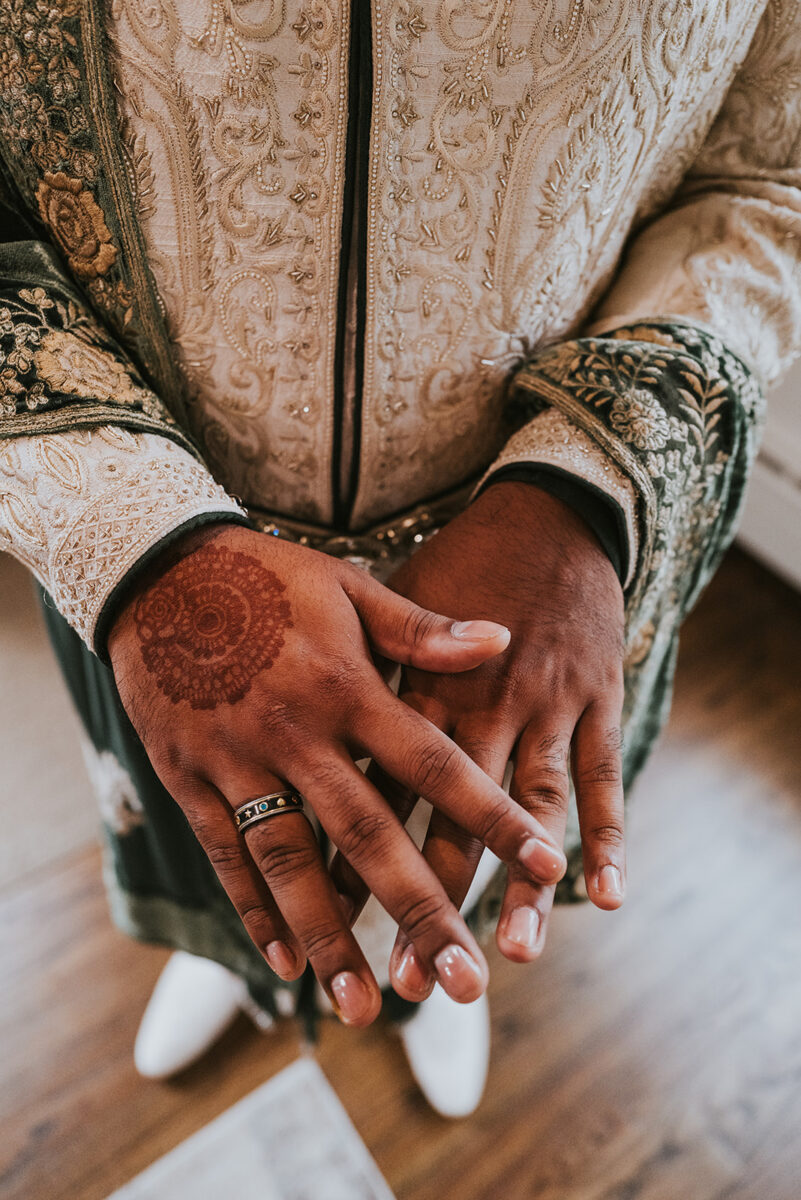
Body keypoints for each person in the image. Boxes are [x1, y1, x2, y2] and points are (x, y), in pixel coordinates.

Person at [0, 0, 797, 1116]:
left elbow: (770, 181)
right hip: (151, 545)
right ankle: (246, 958)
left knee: (465, 829)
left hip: (530, 571)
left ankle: (431, 980)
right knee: (226, 835)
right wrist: (129, 532)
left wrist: (587, 481)